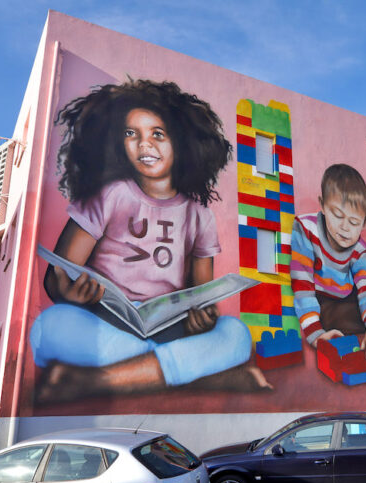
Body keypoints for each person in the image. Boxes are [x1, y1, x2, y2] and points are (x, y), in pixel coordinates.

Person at [30, 79, 269, 401]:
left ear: (182, 143)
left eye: (158, 134)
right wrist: (69, 293)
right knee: (50, 326)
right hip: (104, 322)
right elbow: (57, 277)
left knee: (236, 335)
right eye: (132, 134)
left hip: (169, 328)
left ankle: (94, 381)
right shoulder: (110, 195)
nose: (144, 144)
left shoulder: (199, 215)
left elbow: (202, 297)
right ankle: (196, 375)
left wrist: (203, 318)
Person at [289, 164, 366, 370]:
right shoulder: (305, 228)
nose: (345, 227)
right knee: (328, 312)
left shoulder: (360, 249)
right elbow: (302, 283)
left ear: (364, 224)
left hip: (345, 295)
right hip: (319, 296)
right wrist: (316, 336)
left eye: (354, 222)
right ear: (322, 206)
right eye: (338, 216)